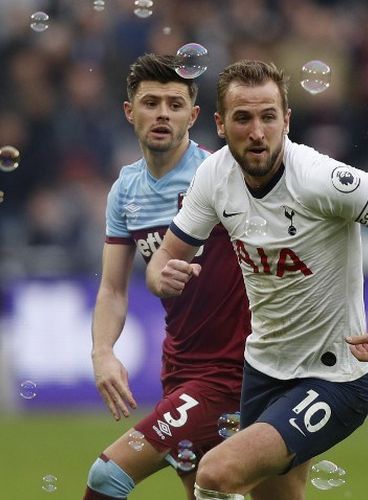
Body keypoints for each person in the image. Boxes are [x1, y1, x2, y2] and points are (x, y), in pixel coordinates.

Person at [145, 60, 368, 500]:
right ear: (220, 125)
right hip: (264, 370)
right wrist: (160, 275)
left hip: (335, 376)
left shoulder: (319, 179)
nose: (257, 131)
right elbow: (164, 258)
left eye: (269, 116)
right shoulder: (214, 176)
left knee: (214, 474)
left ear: (287, 119)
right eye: (242, 118)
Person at [83, 54, 250, 500]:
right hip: (180, 365)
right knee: (209, 496)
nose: (162, 113)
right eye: (151, 102)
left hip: (233, 369)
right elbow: (113, 288)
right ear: (129, 111)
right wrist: (102, 351)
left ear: (193, 116)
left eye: (175, 105)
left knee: (108, 476)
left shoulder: (220, 175)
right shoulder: (125, 190)